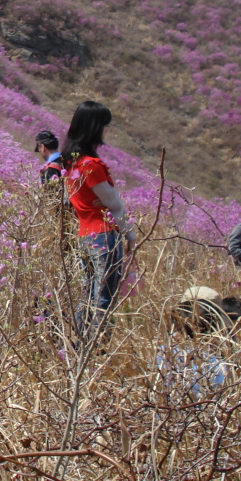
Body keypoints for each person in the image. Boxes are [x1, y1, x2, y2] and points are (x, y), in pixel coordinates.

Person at [62, 101, 136, 341]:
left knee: (88, 294)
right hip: (104, 235)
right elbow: (114, 204)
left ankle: (79, 342)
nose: (106, 130)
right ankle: (97, 346)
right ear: (95, 127)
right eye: (104, 125)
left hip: (85, 235)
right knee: (104, 296)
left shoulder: (72, 164)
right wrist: (131, 235)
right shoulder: (91, 166)